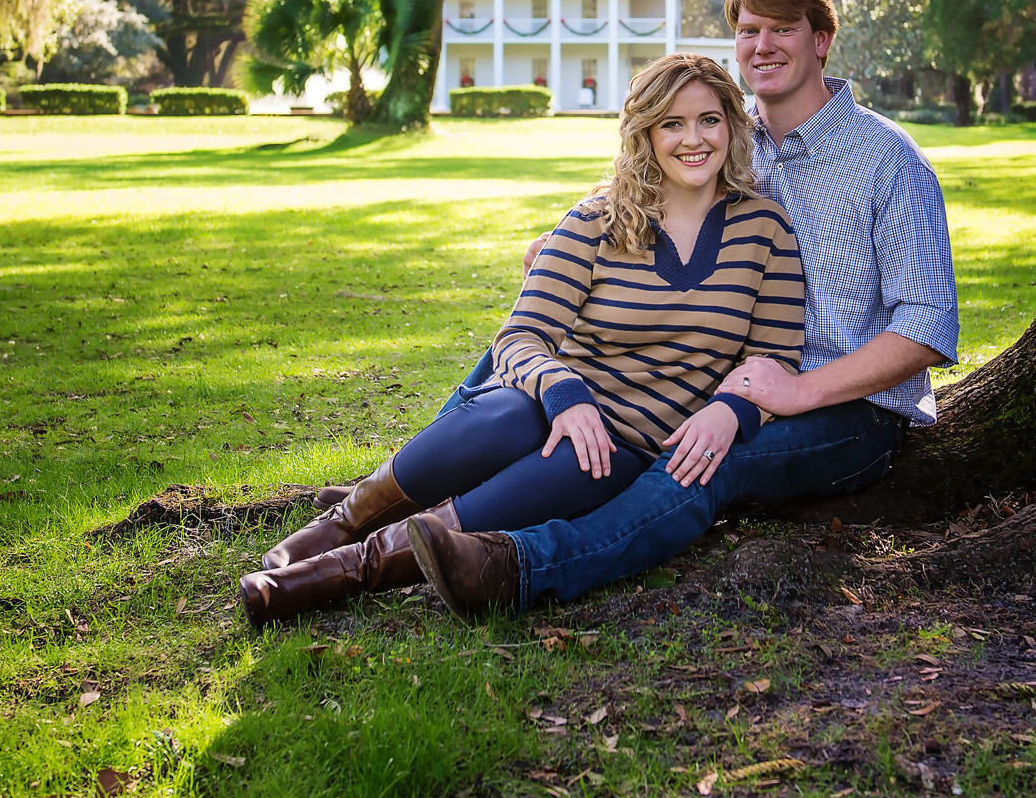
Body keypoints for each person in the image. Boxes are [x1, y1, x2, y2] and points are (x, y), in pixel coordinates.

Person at [407, 0, 957, 616]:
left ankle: (519, 565)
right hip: (727, 369)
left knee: (703, 459)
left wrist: (797, 389)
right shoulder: (730, 131)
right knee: (545, 335)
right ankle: (409, 491)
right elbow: (648, 181)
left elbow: (927, 324)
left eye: (784, 28)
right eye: (749, 29)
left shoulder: (889, 161)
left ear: (822, 40)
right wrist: (566, 238)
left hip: (847, 407)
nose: (763, 44)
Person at [239, 53, 805, 626]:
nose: (694, 139)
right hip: (546, 403)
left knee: (502, 502)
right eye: (673, 124)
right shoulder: (596, 221)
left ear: (731, 125)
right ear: (646, 133)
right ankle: (340, 522)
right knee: (498, 420)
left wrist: (732, 412)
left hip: (627, 445)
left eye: (709, 120)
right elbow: (521, 337)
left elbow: (775, 356)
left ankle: (325, 578)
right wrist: (567, 393)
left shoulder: (765, 230)